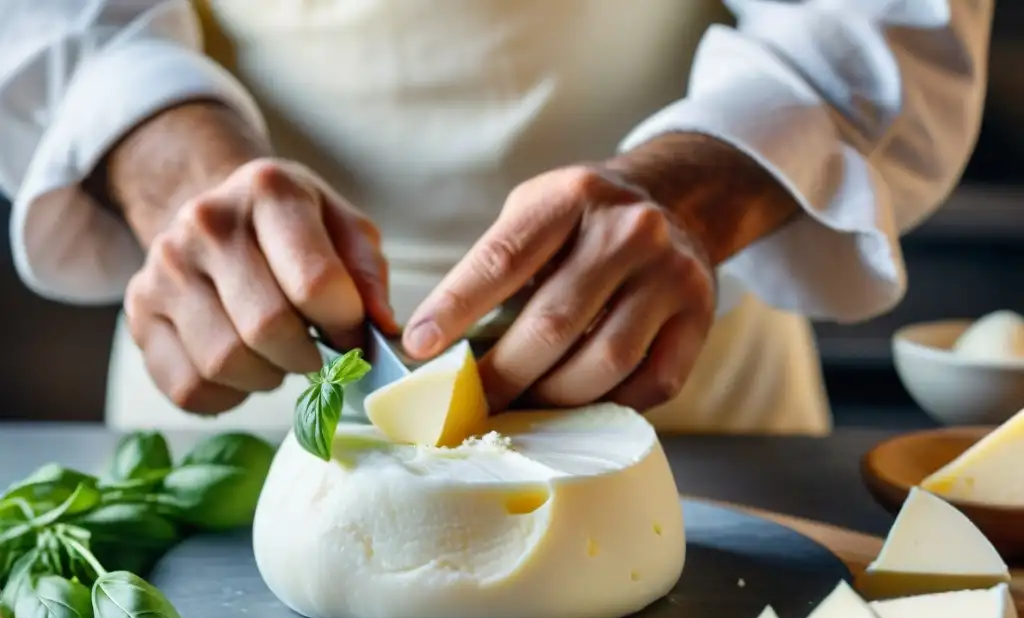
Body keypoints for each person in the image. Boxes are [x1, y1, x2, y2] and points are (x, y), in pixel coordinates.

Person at [0, 1, 993, 435]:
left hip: (688, 423)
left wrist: (687, 193)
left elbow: (883, 20)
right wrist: (176, 170)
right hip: (239, 400)